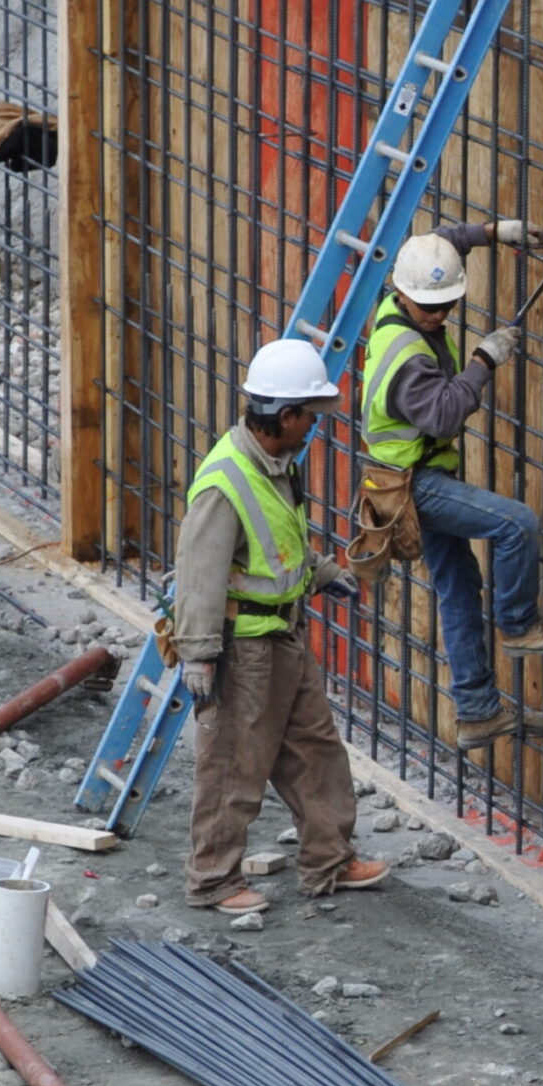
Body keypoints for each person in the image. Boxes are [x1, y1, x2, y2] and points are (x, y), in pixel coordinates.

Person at [176, 338, 391, 917]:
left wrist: (323, 572)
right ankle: (214, 880)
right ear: (286, 415)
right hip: (243, 647)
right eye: (309, 418)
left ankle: (329, 857)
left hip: (284, 636)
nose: (313, 428)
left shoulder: (275, 466)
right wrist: (198, 654)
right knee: (232, 763)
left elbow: (277, 543)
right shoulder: (227, 481)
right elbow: (199, 573)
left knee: (315, 750)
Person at [359, 222, 543, 749]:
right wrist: (485, 359)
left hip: (414, 474)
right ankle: (520, 625)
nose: (438, 316)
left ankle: (477, 710)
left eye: (446, 306)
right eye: (429, 308)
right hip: (415, 486)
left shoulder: (410, 283)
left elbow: (441, 243)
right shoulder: (408, 357)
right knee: (516, 524)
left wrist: (494, 232)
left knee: (458, 590)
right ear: (404, 294)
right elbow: (445, 414)